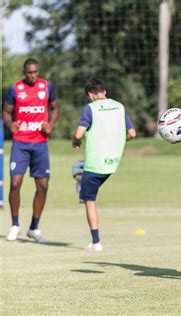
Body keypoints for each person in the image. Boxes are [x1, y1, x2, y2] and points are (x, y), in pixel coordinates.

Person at [72, 78, 136, 252]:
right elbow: (132, 133)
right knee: (84, 180)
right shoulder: (119, 106)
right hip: (113, 162)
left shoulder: (90, 108)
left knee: (89, 200)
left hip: (94, 164)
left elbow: (79, 133)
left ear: (91, 94)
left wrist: (75, 142)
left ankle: (96, 242)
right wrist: (119, 140)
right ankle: (81, 187)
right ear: (104, 91)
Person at [3, 58, 59, 243]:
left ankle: (34, 227)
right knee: (15, 183)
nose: (33, 75)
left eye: (35, 72)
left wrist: (50, 125)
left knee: (42, 186)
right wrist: (10, 124)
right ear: (24, 72)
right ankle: (15, 225)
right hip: (20, 143)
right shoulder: (15, 89)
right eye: (29, 73)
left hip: (40, 143)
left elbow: (55, 108)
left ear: (39, 71)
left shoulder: (47, 87)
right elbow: (6, 111)